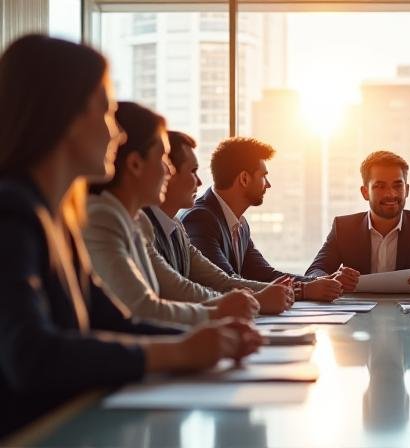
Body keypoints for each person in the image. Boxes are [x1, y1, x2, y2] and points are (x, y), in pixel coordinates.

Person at [0, 35, 260, 437]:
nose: (117, 135)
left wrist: (214, 341)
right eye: (105, 113)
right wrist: (176, 350)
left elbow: (115, 321)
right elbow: (31, 355)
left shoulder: (59, 220)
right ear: (65, 117)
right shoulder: (11, 212)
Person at [84, 102, 261, 325]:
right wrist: (221, 310)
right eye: (163, 158)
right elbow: (145, 308)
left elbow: (171, 293)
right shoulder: (104, 218)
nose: (169, 170)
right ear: (135, 164)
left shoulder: (139, 223)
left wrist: (231, 305)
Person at [143, 130, 292, 315]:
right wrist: (257, 299)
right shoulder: (193, 219)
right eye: (192, 172)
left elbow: (221, 280)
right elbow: (179, 290)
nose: (199, 182)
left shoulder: (176, 226)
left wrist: (291, 290)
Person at [180, 137, 343, 301]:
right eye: (264, 176)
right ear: (244, 179)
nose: (268, 184)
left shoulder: (240, 225)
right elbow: (225, 282)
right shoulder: (200, 219)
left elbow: (263, 273)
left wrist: (318, 282)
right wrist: (304, 290)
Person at [306, 150, 410, 296]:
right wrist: (331, 279)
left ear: (408, 190)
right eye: (380, 186)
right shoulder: (344, 228)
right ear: (365, 192)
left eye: (398, 186)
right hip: (356, 321)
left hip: (408, 321)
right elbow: (314, 272)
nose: (391, 194)